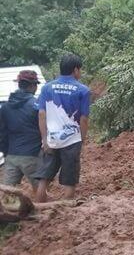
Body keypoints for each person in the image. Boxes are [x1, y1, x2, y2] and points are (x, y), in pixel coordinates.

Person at [34, 54, 90, 202]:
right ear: (76, 69)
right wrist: (82, 139)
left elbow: (41, 114)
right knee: (69, 180)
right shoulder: (82, 90)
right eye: (80, 70)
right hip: (72, 140)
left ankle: (39, 212)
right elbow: (84, 119)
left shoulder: (47, 88)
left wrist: (44, 139)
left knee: (44, 178)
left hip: (51, 139)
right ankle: (65, 215)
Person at [0, 70, 42, 195]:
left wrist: (7, 152)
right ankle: (45, 213)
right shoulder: (36, 105)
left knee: (6, 195)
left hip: (11, 156)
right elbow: (44, 129)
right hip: (32, 155)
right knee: (41, 190)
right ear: (32, 86)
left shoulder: (6, 107)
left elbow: (2, 134)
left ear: (19, 84)